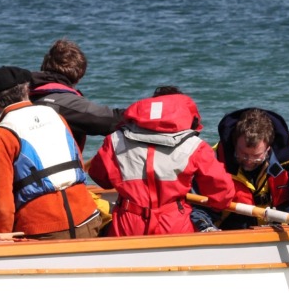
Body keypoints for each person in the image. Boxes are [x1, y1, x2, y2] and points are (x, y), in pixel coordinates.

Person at [88, 88, 235, 237]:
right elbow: (222, 192)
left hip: (128, 221)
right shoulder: (195, 145)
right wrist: (215, 207)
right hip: (174, 221)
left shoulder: (115, 139)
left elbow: (100, 177)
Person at [0, 65, 102, 239]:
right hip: (87, 217)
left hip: (42, 230)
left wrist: (2, 236)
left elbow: (1, 197)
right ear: (27, 90)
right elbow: (78, 162)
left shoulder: (1, 135)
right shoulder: (56, 116)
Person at [190, 108, 289, 230]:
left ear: (268, 148)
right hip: (234, 225)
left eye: (256, 156)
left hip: (281, 221)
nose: (249, 161)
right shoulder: (214, 157)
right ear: (234, 143)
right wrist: (208, 229)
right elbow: (199, 206)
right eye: (243, 154)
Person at [30, 39, 124, 152]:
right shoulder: (64, 103)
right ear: (79, 74)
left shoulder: (26, 93)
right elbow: (110, 120)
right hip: (52, 168)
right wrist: (146, 109)